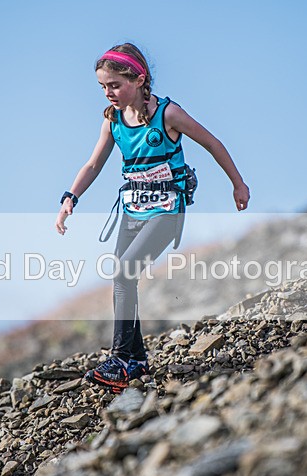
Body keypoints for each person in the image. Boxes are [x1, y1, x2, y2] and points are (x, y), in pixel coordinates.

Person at [55, 43, 250, 392]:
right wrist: (71, 197)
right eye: (103, 87)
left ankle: (120, 360)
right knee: (121, 280)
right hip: (132, 211)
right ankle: (137, 359)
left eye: (114, 85)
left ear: (139, 79)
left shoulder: (168, 114)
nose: (108, 93)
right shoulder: (112, 120)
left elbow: (213, 143)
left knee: (124, 272)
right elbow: (93, 164)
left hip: (166, 211)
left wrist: (238, 184)